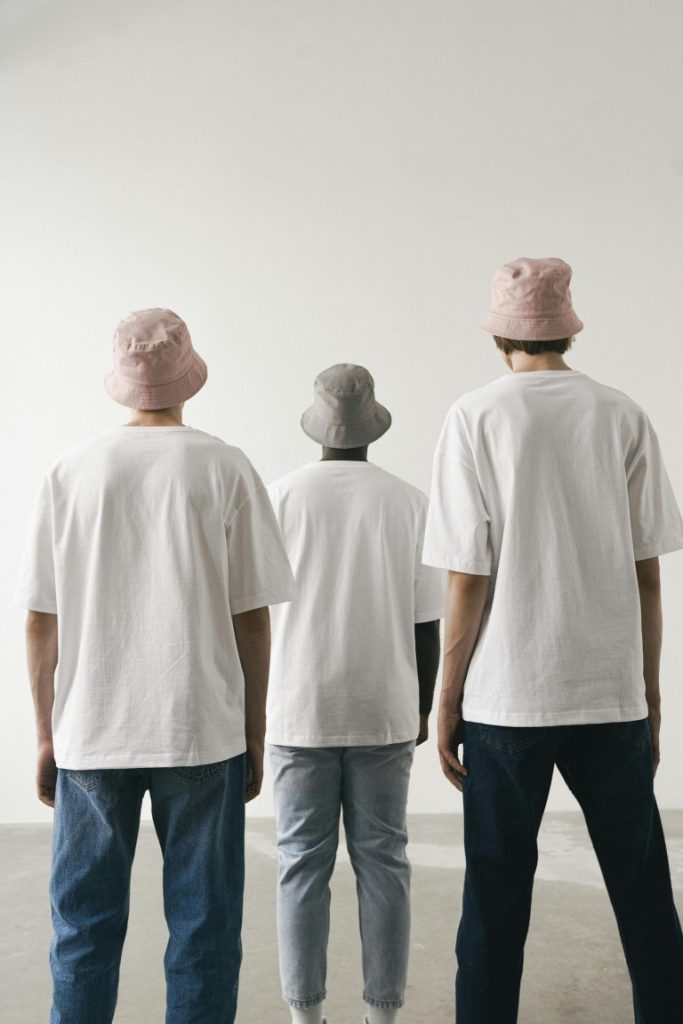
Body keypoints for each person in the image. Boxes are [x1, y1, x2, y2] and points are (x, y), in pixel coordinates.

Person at [15, 308, 295, 1024]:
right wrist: (253, 729)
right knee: (204, 932)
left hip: (93, 729)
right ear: (186, 378)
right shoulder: (224, 465)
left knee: (82, 932)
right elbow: (252, 616)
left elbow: (40, 617)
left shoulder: (69, 471)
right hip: (199, 727)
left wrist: (47, 732)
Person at [422, 258, 683, 1024]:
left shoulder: (473, 415)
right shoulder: (620, 414)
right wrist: (648, 690)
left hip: (507, 698)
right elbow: (646, 577)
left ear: (500, 332)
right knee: (642, 893)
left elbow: (465, 577)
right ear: (566, 326)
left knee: (494, 899)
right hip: (607, 691)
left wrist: (448, 697)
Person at [266, 364, 444, 1024]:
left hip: (297, 706)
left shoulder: (278, 497)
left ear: (316, 424)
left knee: (299, 866)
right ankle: (381, 1015)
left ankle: (303, 1014)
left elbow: (252, 612)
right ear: (372, 424)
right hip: (382, 707)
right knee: (384, 865)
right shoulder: (408, 502)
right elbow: (426, 619)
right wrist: (421, 706)